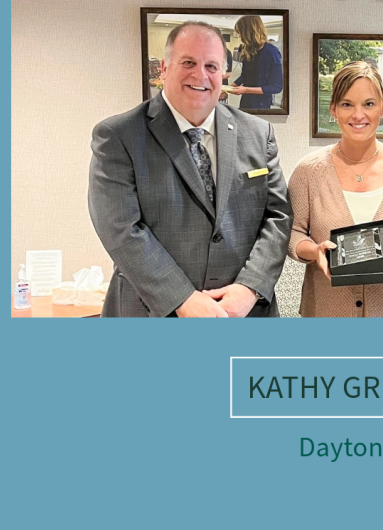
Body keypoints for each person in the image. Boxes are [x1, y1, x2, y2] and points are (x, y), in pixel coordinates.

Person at [89, 21, 293, 317]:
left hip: (243, 311)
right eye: (188, 62)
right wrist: (181, 298)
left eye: (211, 66)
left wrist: (250, 287)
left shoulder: (258, 134)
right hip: (152, 311)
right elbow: (121, 229)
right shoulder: (119, 136)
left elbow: (278, 216)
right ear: (164, 68)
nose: (201, 75)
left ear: (223, 74)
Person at [287, 61, 383, 317]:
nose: (358, 115)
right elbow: (292, 233)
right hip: (327, 311)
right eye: (347, 104)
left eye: (368, 104)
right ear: (333, 109)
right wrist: (315, 251)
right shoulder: (308, 171)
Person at [225, 15, 283, 110]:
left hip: (261, 104)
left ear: (248, 32)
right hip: (246, 100)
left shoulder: (271, 52)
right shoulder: (248, 49)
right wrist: (228, 89)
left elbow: (276, 87)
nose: (239, 36)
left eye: (241, 33)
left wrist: (246, 90)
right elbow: (245, 76)